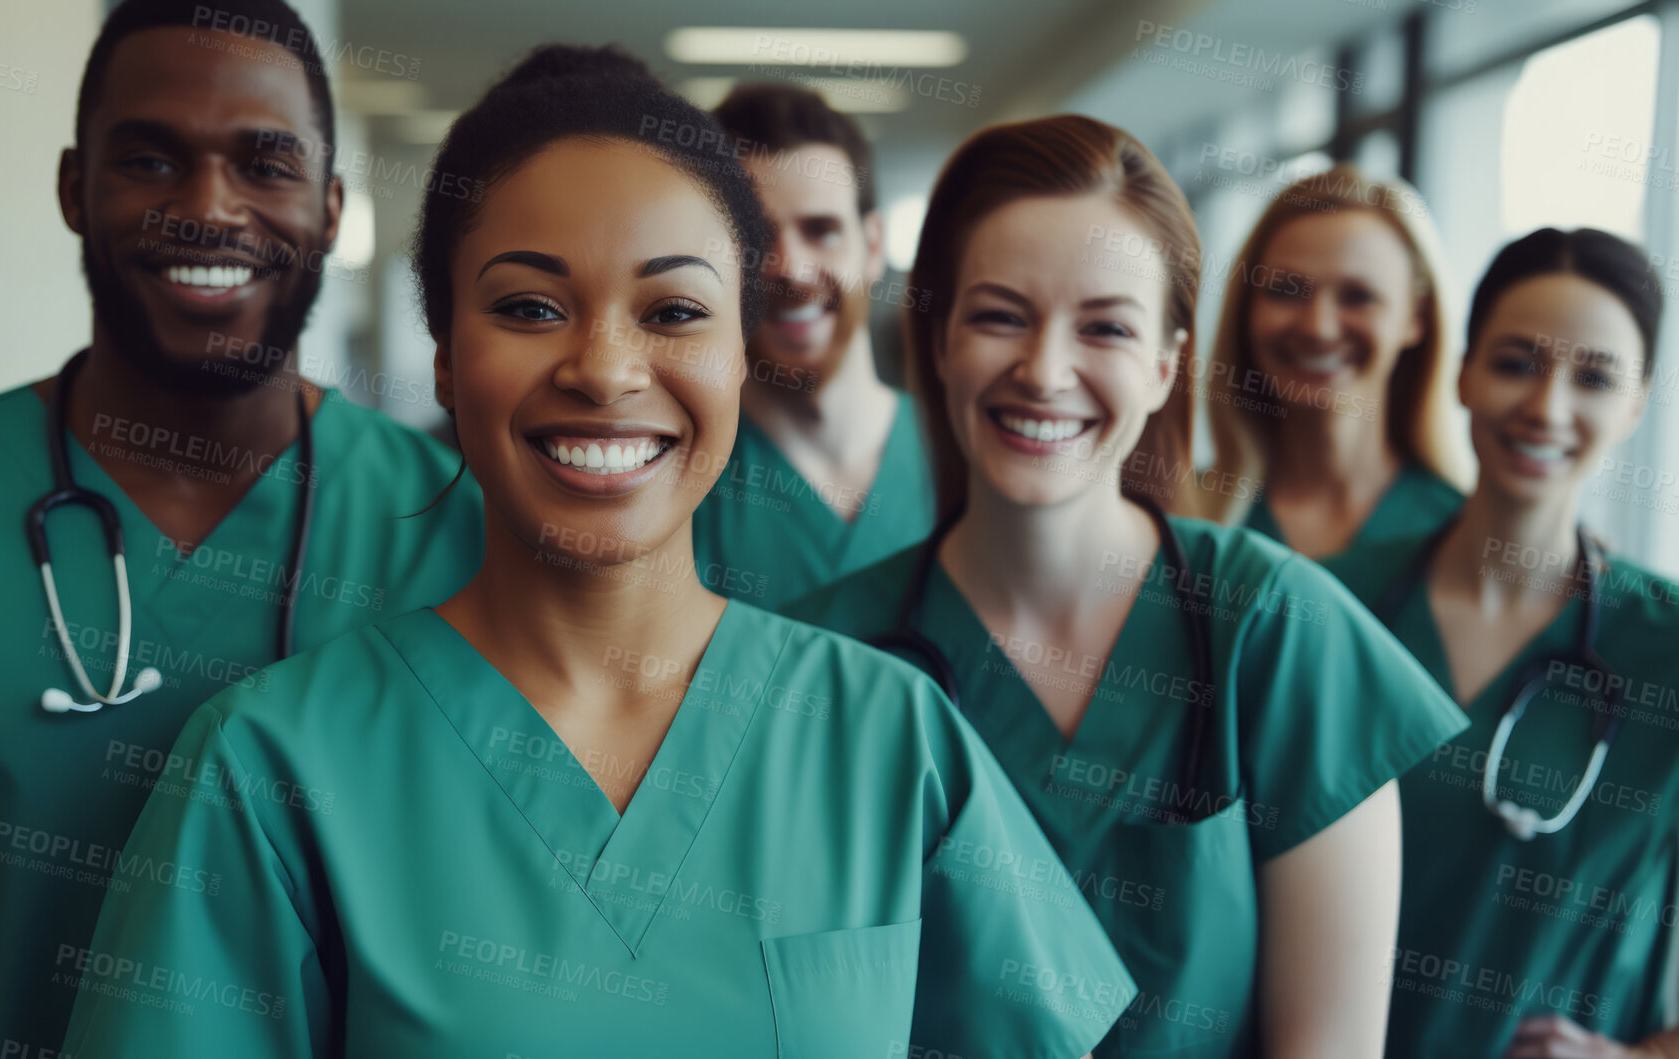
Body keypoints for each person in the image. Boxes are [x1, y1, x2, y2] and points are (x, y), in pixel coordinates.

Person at [59, 46, 1138, 1059]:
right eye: (529, 307)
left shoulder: (887, 738)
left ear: (738, 353)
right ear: (443, 357)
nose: (605, 368)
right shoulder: (273, 768)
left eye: (673, 309)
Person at [0, 3, 482, 1056]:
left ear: (332, 209)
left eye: (266, 165)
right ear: (75, 189)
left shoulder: (463, 533)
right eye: (151, 161)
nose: (209, 208)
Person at [787, 116, 1469, 1057]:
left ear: (1164, 364)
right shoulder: (820, 664)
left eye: (1103, 325)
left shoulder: (1276, 633)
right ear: (936, 339)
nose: (1045, 370)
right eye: (999, 315)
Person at [1354, 229, 1679, 1058]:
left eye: (1594, 377)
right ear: (1461, 372)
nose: (1545, 406)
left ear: (1636, 403)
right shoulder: (1330, 605)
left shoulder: (1668, 647)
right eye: (1515, 362)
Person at [689, 83, 934, 610]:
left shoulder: (962, 458)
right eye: (754, 238)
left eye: (821, 230)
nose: (791, 269)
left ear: (872, 246)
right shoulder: (680, 485)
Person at [1194, 165, 1473, 593]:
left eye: (1358, 296)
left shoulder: (1466, 536)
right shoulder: (1184, 516)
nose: (1318, 328)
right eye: (1285, 291)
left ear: (1415, 317)